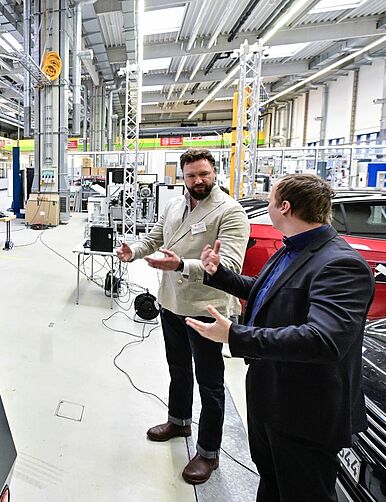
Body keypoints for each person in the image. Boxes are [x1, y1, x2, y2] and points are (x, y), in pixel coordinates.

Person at [187, 174, 374, 502]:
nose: (267, 206)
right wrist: (218, 274)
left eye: (270, 201)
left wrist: (236, 335)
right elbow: (264, 292)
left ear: (284, 207)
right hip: (272, 399)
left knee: (303, 492)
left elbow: (324, 340)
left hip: (305, 413)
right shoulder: (292, 249)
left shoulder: (340, 264)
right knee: (272, 481)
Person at [115, 148, 249, 484]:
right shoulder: (175, 204)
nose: (198, 181)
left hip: (208, 309)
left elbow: (229, 268)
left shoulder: (230, 212)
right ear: (182, 177)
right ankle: (178, 421)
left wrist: (180, 265)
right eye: (191, 175)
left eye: (203, 174)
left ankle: (208, 452)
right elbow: (157, 237)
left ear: (214, 172)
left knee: (210, 381)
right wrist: (134, 250)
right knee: (177, 368)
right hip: (172, 302)